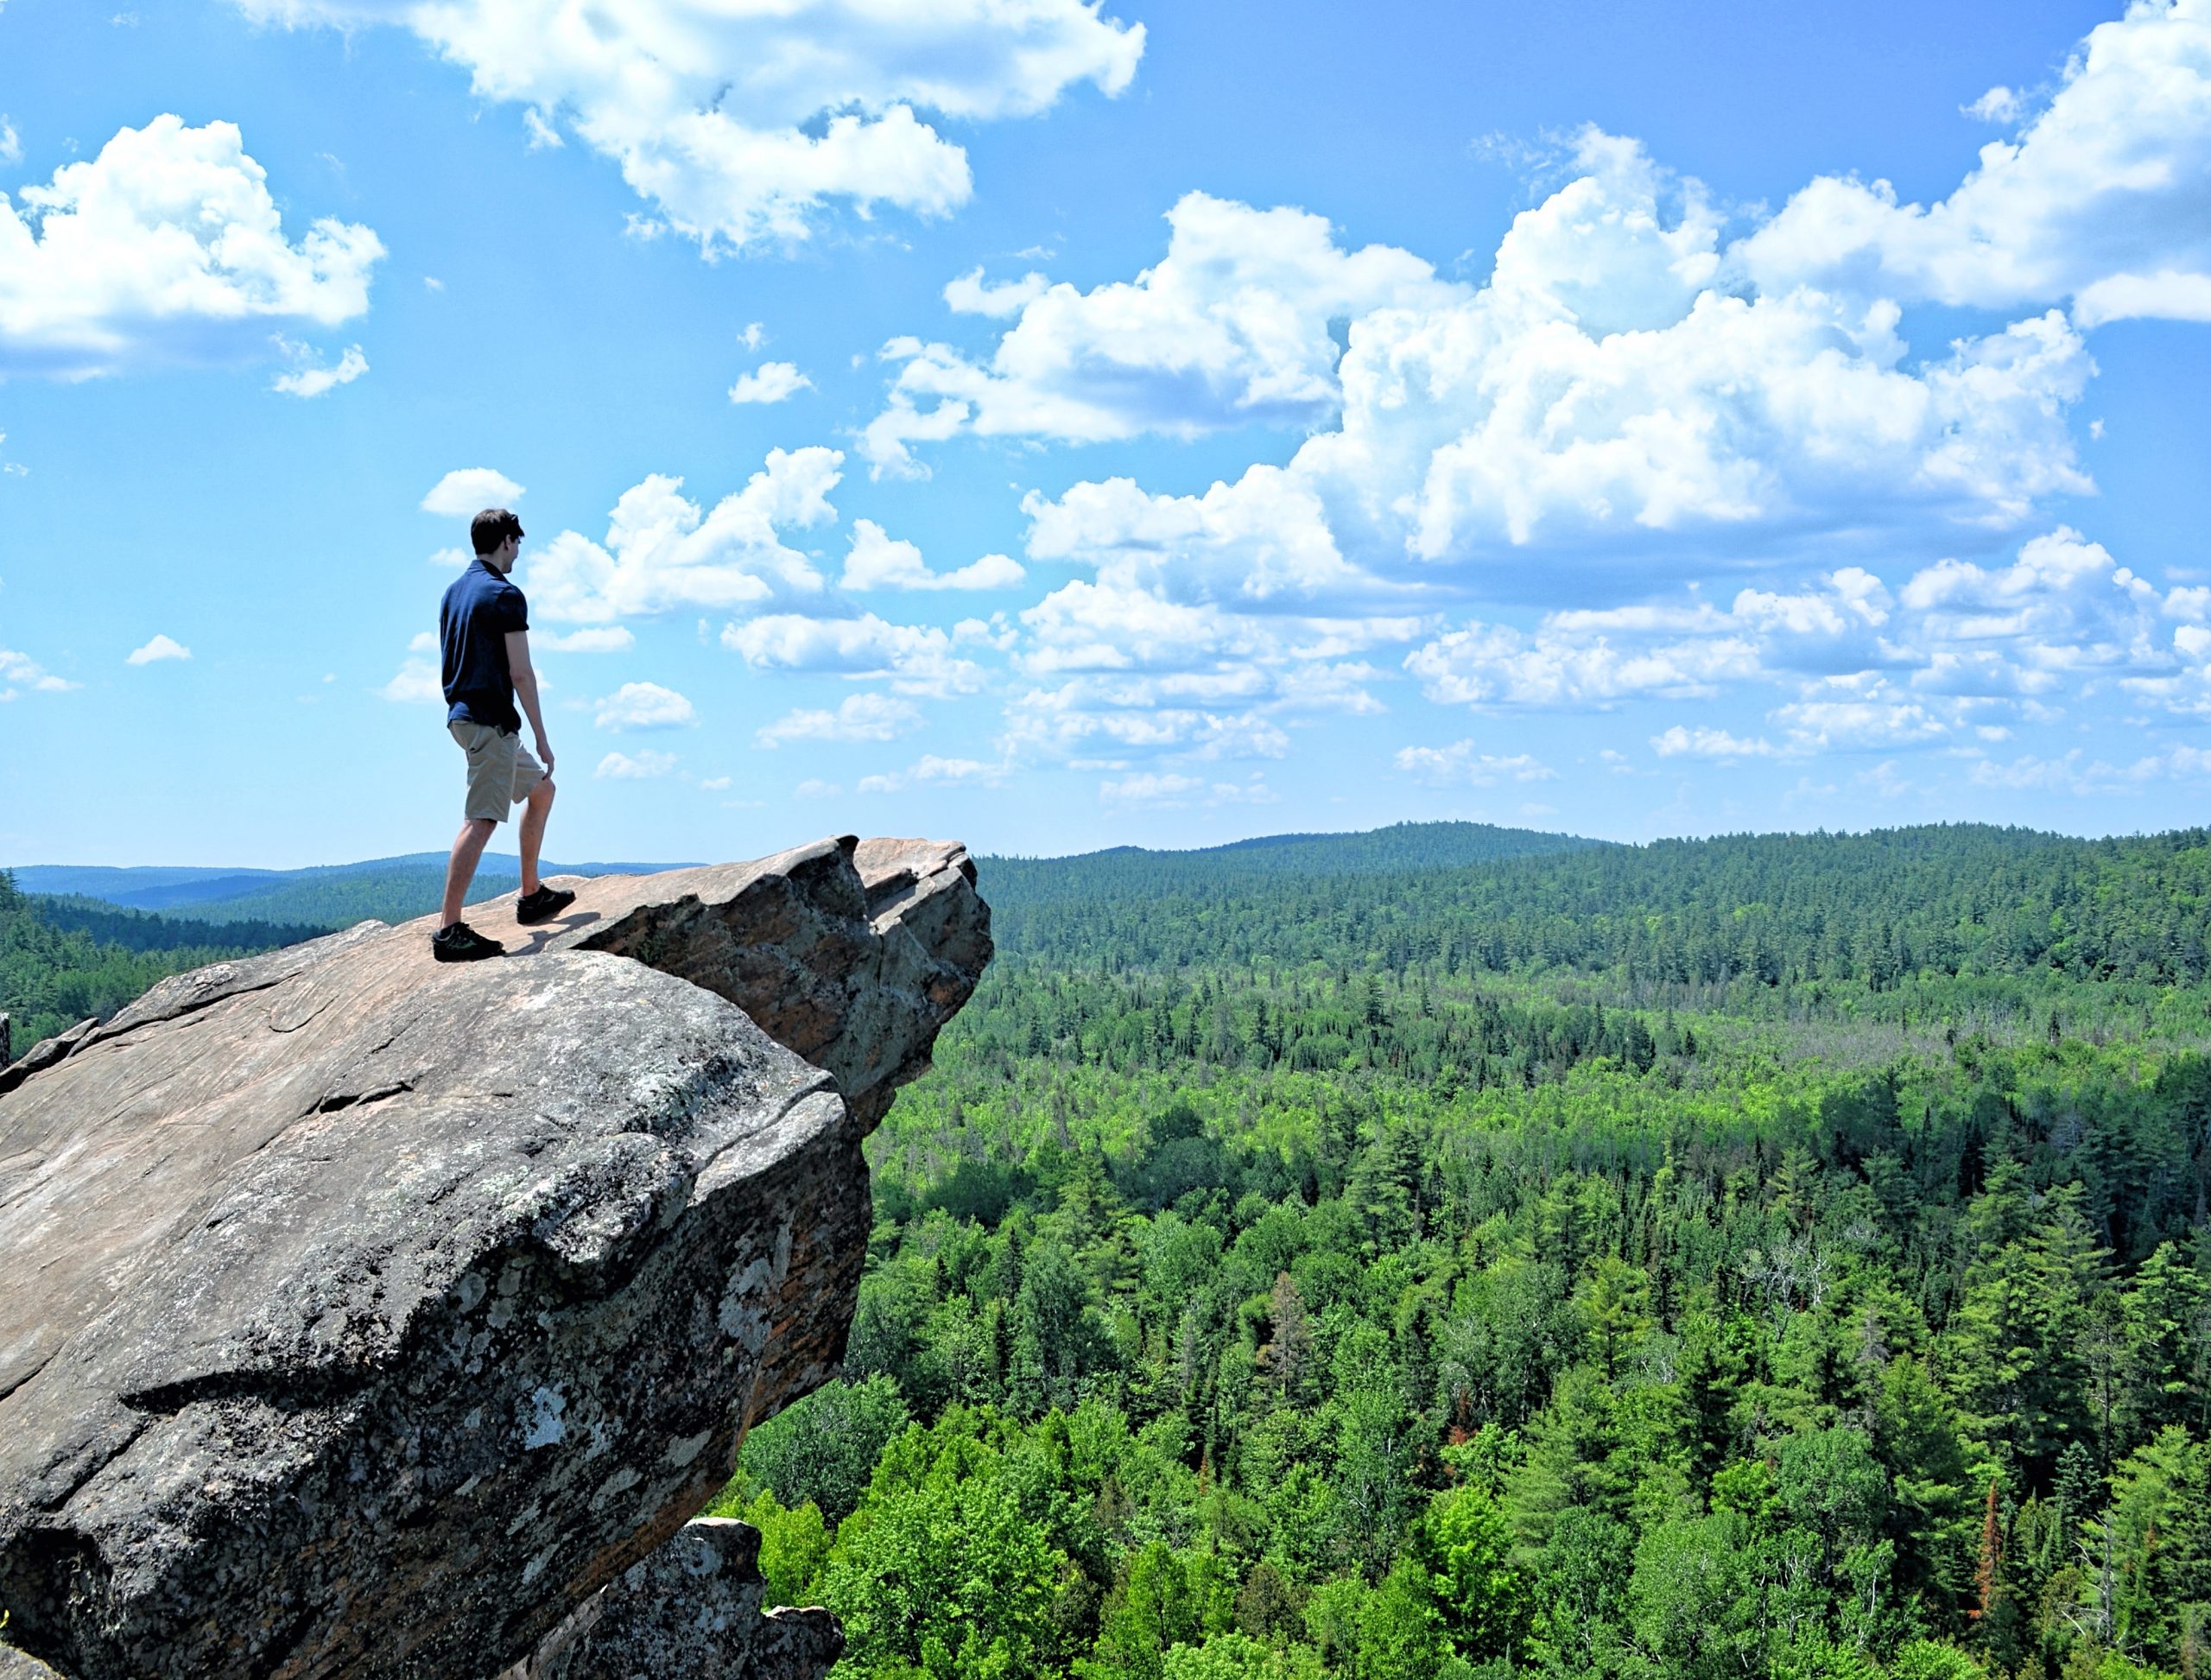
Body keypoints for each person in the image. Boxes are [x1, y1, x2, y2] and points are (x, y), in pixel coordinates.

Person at [430, 507, 575, 960]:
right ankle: (449, 930)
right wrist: (543, 736)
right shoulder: (504, 595)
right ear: (507, 541)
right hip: (490, 721)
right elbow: (522, 673)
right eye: (518, 542)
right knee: (482, 818)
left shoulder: (454, 592)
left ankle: (531, 897)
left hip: (466, 715)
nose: (518, 552)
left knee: (542, 790)